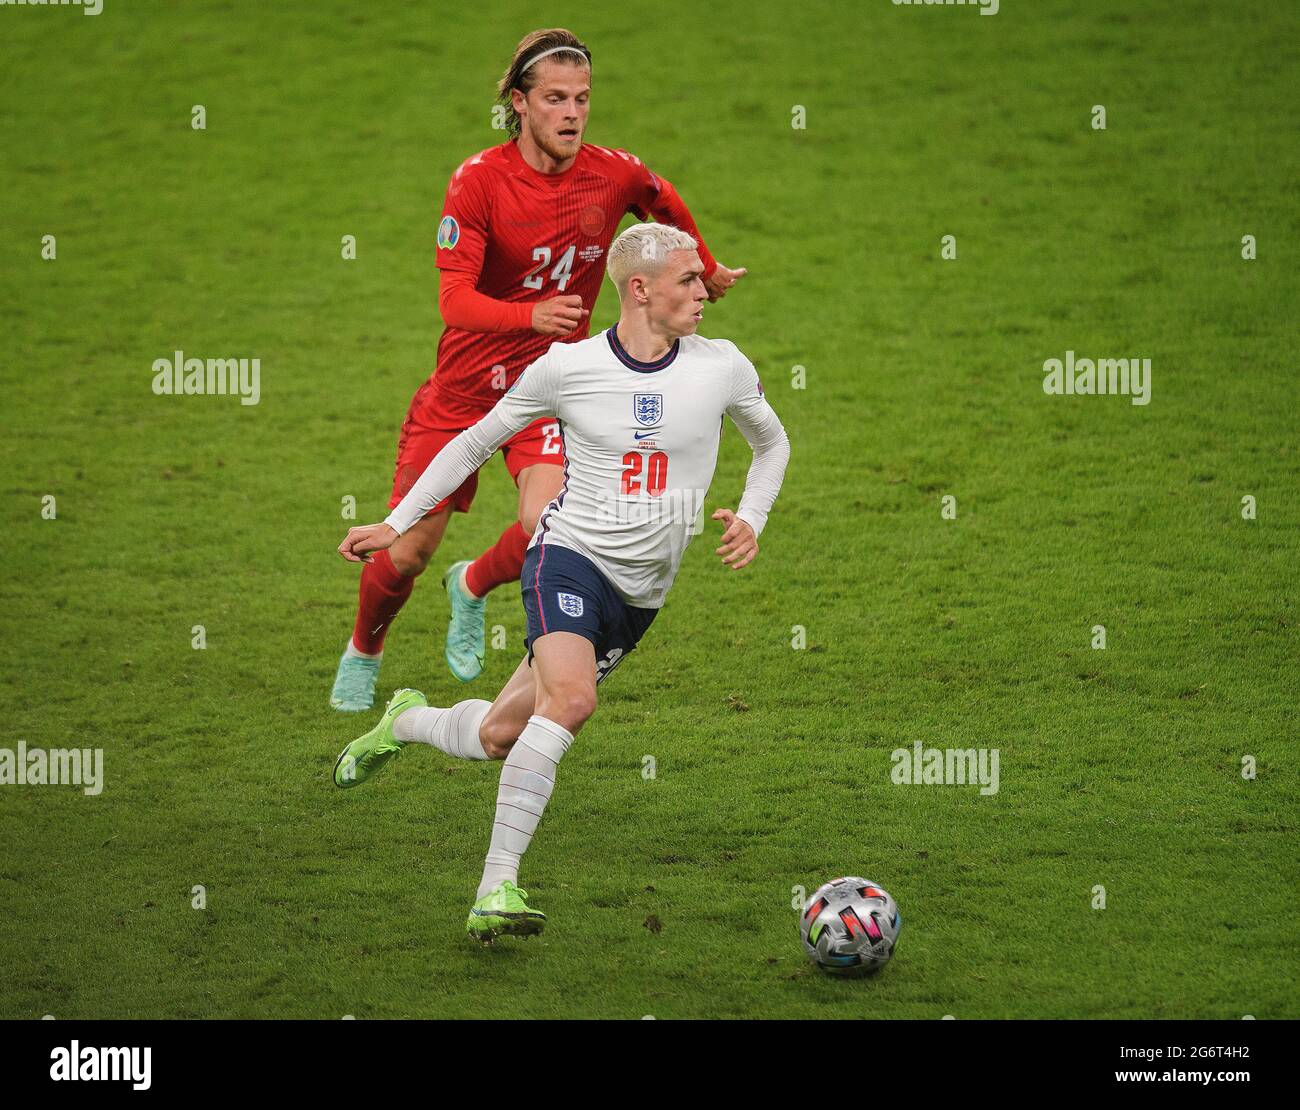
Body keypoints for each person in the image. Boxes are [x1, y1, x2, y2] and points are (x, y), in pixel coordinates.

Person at [333, 223, 789, 942]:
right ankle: (497, 887)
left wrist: (753, 517)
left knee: (498, 735)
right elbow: (475, 439)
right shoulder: (567, 368)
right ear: (640, 289)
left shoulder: (722, 366)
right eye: (690, 279)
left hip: (641, 595)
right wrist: (398, 522)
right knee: (572, 700)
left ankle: (407, 720)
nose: (706, 291)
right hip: (568, 557)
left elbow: (772, 442)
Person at [331, 27, 747, 709]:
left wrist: (701, 263)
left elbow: (660, 198)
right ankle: (364, 648)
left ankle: (470, 585)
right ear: (519, 104)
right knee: (405, 552)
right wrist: (531, 317)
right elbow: (453, 301)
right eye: (555, 98)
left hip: (557, 389)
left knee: (545, 519)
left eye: (582, 98)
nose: (572, 113)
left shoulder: (612, 172)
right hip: (465, 390)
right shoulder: (478, 182)